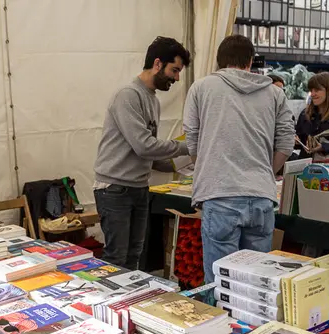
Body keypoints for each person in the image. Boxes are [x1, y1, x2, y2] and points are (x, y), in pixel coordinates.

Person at [183, 35, 294, 287]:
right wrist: (267, 171)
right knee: (257, 286)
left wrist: (208, 168)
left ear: (219, 61)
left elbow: (192, 139)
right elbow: (286, 142)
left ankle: (224, 326)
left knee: (221, 284)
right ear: (250, 61)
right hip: (261, 197)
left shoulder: (201, 87)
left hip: (220, 194)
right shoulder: (275, 93)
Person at [93, 36, 190, 270]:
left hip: (138, 189)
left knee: (134, 257)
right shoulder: (128, 95)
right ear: (157, 64)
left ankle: (126, 305)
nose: (177, 78)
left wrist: (181, 164)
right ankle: (111, 306)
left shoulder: (153, 101)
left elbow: (149, 154)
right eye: (174, 70)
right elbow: (145, 146)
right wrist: (190, 146)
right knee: (117, 260)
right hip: (115, 190)